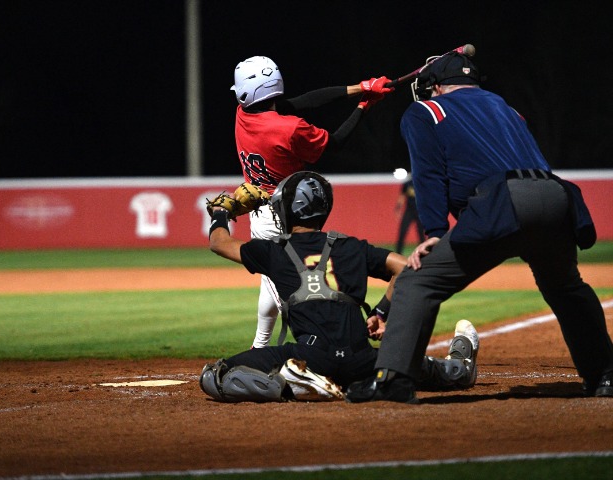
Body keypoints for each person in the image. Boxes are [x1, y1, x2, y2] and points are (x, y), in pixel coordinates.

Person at [345, 52, 613, 403]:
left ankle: (393, 380)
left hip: (503, 201)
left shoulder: (427, 110)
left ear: (436, 87)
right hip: (556, 196)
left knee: (416, 281)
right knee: (566, 287)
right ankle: (605, 374)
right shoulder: (506, 109)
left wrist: (434, 232)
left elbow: (428, 175)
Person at [200, 171, 480, 403]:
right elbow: (408, 268)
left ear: (288, 210)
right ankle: (458, 365)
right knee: (443, 373)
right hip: (363, 362)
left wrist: (221, 212)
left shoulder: (274, 251)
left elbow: (219, 243)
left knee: (216, 375)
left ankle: (292, 383)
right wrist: (381, 312)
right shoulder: (352, 247)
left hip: (310, 357)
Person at [231, 56, 393, 349]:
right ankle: (322, 347)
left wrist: (361, 87)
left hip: (261, 212)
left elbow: (305, 101)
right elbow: (336, 142)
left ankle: (260, 347)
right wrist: (364, 105)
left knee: (273, 282)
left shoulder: (242, 114)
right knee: (292, 291)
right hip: (286, 216)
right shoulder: (290, 128)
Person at [394, 176, 425, 254]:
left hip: (420, 212)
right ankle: (398, 253)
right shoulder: (407, 184)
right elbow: (402, 196)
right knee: (402, 231)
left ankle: (423, 252)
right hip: (409, 211)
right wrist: (398, 209)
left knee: (421, 233)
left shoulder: (422, 183)